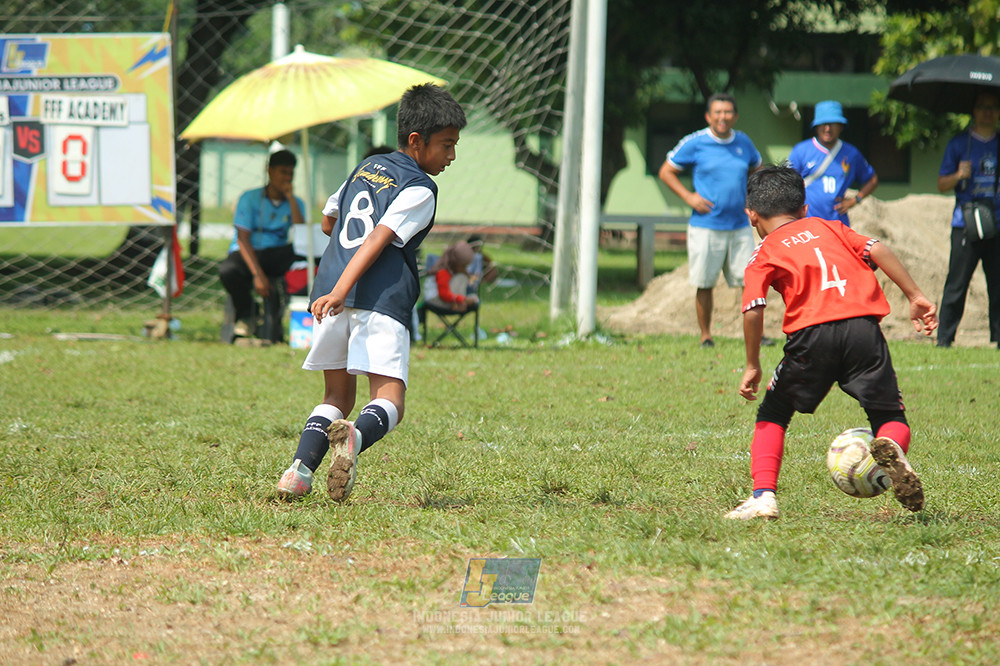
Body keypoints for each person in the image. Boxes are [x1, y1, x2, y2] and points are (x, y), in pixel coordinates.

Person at [277, 84, 467, 501]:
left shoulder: (366, 167)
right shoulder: (419, 188)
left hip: (327, 293)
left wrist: (338, 285)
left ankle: (298, 472)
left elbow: (330, 221)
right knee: (390, 399)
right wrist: (348, 287)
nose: (451, 156)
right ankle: (355, 439)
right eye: (447, 145)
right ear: (416, 142)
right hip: (377, 299)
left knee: (335, 396)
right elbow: (380, 237)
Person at [725, 165, 937, 520]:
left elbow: (753, 308)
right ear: (805, 208)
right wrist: (915, 295)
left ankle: (763, 497)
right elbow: (877, 248)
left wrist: (752, 364)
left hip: (812, 336)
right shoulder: (831, 227)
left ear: (751, 215)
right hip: (863, 329)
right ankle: (894, 450)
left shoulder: (763, 253)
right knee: (889, 415)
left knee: (773, 413)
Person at [658, 92, 764, 348]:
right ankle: (706, 335)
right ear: (708, 116)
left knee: (749, 282)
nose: (723, 117)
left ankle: (753, 334)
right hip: (706, 226)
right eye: (717, 112)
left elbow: (758, 171)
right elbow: (666, 171)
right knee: (705, 283)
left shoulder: (744, 143)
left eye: (727, 112)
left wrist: (753, 202)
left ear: (735, 116)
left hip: (740, 226)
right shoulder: (695, 142)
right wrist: (688, 197)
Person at [935, 91, 1000, 348]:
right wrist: (958, 175)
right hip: (965, 224)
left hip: (996, 223)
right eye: (983, 106)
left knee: (997, 286)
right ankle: (945, 339)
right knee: (957, 284)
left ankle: (997, 339)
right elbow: (941, 183)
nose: (988, 112)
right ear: (974, 111)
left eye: (993, 107)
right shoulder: (958, 144)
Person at [218, 149, 306, 338]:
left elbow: (301, 234)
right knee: (227, 270)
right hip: (248, 252)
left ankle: (286, 321)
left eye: (291, 173)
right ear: (270, 171)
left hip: (275, 253)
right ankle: (247, 313)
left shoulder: (296, 203)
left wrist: (290, 199)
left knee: (307, 256)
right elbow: (242, 238)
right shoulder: (249, 199)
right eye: (283, 172)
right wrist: (257, 274)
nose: (287, 178)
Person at [788, 100, 878, 227]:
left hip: (838, 225)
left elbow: (872, 180)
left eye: (832, 124)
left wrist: (855, 199)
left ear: (841, 126)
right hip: (807, 226)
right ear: (816, 126)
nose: (827, 129)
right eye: (823, 124)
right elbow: (785, 185)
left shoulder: (851, 153)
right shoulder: (800, 151)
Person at [424, 240, 479, 312]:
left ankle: (460, 302)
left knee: (474, 297)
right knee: (461, 277)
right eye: (464, 266)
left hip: (443, 299)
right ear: (456, 263)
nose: (465, 269)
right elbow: (443, 294)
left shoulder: (450, 270)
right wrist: (461, 299)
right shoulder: (443, 272)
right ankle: (458, 304)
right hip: (435, 300)